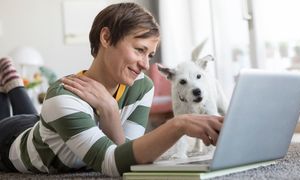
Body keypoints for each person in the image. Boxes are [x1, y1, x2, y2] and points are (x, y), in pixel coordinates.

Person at [0, 2, 223, 177]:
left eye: (150, 55)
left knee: (34, 118)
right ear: (106, 38)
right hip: (9, 141)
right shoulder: (63, 98)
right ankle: (11, 86)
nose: (146, 64)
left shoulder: (142, 87)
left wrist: (110, 111)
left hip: (40, 126)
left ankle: (10, 85)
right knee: (20, 120)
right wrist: (179, 124)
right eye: (139, 50)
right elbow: (112, 163)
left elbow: (125, 155)